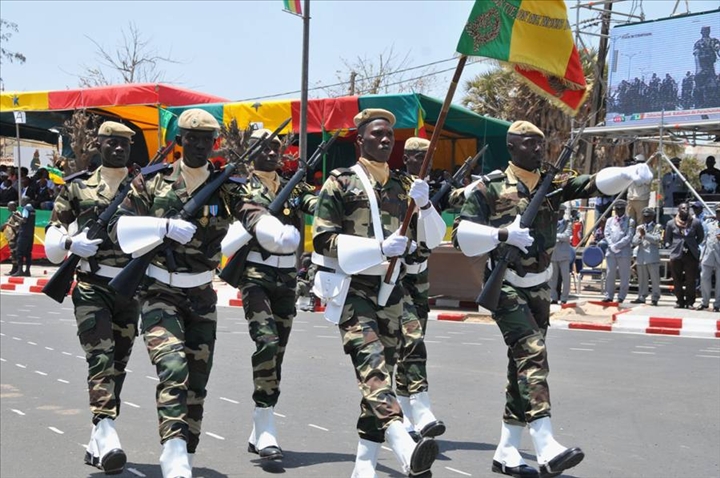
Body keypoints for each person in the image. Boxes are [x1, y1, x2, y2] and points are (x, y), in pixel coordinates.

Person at [453, 120, 653, 478]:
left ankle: (507, 450)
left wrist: (627, 173)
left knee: (522, 367)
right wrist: (502, 234)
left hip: (540, 286)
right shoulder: (491, 185)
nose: (538, 150)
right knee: (532, 352)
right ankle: (545, 444)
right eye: (529, 144)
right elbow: (461, 234)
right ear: (512, 146)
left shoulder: (552, 180)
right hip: (506, 285)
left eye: (540, 144)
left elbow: (590, 184)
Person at [312, 109, 446, 477]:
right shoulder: (341, 182)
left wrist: (426, 204)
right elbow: (323, 239)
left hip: (393, 291)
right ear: (361, 140)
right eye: (376, 135)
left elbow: (432, 239)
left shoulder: (404, 185)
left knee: (378, 378)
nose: (385, 140)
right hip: (354, 289)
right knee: (372, 365)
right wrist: (378, 249)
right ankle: (403, 444)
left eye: (390, 135)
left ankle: (364, 465)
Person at [111, 109, 243, 478]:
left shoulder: (227, 185)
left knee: (197, 381)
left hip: (201, 295)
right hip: (158, 292)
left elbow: (252, 210)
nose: (200, 145)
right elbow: (118, 228)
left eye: (206, 139)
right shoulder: (152, 183)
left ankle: (185, 448)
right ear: (179, 141)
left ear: (214, 142)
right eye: (192, 138)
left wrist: (264, 223)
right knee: (173, 368)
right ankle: (171, 448)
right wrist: (162, 226)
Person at [44, 121, 138, 475]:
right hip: (91, 286)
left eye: (124, 144)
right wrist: (71, 243)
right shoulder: (78, 186)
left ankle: (96, 437)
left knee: (118, 366)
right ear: (99, 144)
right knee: (100, 358)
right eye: (112, 143)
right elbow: (52, 231)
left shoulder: (142, 185)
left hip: (129, 290)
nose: (118, 149)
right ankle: (108, 431)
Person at [225, 127, 316, 461]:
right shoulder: (241, 189)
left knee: (279, 350)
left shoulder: (293, 186)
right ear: (251, 152)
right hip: (255, 274)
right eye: (262, 148)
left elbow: (316, 202)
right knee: (266, 341)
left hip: (286, 276)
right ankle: (265, 423)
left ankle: (260, 418)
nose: (270, 153)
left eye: (275, 148)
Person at [395, 136, 447, 443]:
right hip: (398, 274)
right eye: (416, 158)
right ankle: (422, 406)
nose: (422, 163)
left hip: (421, 276)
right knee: (412, 338)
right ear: (407, 160)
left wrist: (427, 203)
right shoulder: (396, 186)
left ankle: (404, 415)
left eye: (426, 157)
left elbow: (436, 235)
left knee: (410, 345)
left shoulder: (429, 190)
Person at [664, 202, 704, 309]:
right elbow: (667, 239)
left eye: (686, 208)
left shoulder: (695, 222)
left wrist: (693, 244)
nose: (685, 210)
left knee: (690, 279)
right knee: (677, 279)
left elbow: (701, 237)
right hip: (676, 254)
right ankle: (680, 301)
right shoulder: (671, 223)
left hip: (691, 254)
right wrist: (672, 246)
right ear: (678, 210)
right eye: (682, 208)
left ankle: (690, 302)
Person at [602, 200, 635, 304]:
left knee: (624, 275)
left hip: (624, 251)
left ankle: (621, 296)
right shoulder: (610, 220)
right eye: (617, 209)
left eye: (621, 209)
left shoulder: (630, 221)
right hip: (611, 251)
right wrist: (611, 245)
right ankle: (608, 296)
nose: (619, 211)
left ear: (624, 209)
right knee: (610, 274)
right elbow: (606, 234)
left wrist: (617, 245)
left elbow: (629, 236)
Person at [631, 207, 662, 306]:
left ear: (652, 217)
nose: (646, 218)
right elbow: (634, 242)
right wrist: (640, 236)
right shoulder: (639, 227)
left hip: (652, 256)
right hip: (641, 256)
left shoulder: (657, 227)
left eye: (648, 216)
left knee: (655, 279)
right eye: (644, 216)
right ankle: (641, 296)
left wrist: (646, 235)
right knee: (642, 279)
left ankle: (655, 297)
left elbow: (657, 239)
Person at [697, 203, 720, 311]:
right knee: (704, 278)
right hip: (708, 256)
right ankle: (704, 302)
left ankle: (717, 304)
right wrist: (701, 255)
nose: (719, 214)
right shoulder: (710, 224)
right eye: (718, 212)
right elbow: (704, 240)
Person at [550, 205, 573, 304]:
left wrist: (556, 236)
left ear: (563, 213)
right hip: (553, 254)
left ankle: (564, 298)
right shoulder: (551, 223)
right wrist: (559, 237)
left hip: (564, 255)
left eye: (561, 212)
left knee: (565, 278)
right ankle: (553, 297)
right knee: (552, 278)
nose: (559, 213)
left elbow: (567, 236)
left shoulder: (567, 223)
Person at [13, 197, 35, 277]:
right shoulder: (33, 209)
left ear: (25, 201)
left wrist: (16, 217)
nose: (21, 202)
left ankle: (20, 270)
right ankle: (27, 271)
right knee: (28, 253)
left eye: (22, 200)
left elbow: (24, 220)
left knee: (19, 252)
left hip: (24, 233)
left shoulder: (25, 209)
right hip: (30, 234)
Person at [626, 155, 650, 224]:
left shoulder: (647, 171)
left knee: (640, 221)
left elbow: (639, 183)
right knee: (630, 221)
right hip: (631, 199)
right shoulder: (631, 170)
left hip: (641, 199)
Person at [0, 201, 22, 275]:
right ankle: (14, 268)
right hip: (10, 237)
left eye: (9, 206)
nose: (8, 208)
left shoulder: (16, 214)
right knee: (12, 254)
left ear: (13, 206)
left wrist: (7, 224)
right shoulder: (12, 215)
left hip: (15, 237)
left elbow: (17, 226)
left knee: (15, 254)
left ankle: (16, 269)